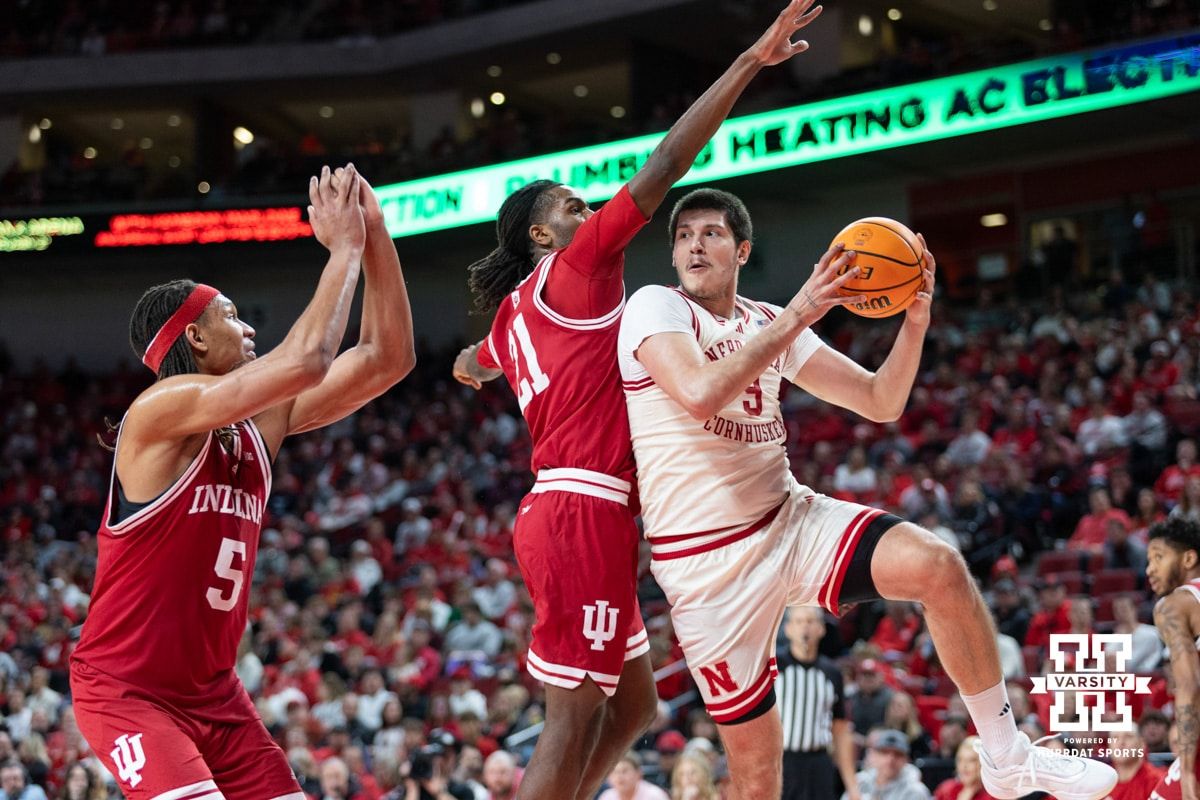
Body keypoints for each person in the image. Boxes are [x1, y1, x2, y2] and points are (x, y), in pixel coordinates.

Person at [615, 186, 1117, 800]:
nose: (695, 244)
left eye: (711, 233)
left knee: (939, 566)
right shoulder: (655, 307)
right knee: (757, 773)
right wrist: (802, 309)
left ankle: (1007, 755)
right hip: (705, 565)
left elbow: (881, 401)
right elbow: (698, 392)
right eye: (684, 235)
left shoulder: (769, 320)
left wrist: (915, 322)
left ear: (742, 249)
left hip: (788, 519)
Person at [450, 3, 825, 799]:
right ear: (545, 238)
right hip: (582, 507)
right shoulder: (577, 267)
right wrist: (749, 65)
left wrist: (473, 368)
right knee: (573, 716)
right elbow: (668, 162)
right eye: (571, 209)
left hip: (586, 512)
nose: (589, 213)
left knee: (633, 707)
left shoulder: (515, 313)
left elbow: (476, 359)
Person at [68, 164, 416, 800]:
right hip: (129, 692)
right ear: (195, 336)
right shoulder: (157, 411)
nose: (250, 327)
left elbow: (385, 358)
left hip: (214, 694)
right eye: (233, 316)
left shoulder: (252, 422)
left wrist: (374, 235)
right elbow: (308, 358)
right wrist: (341, 249)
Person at [776, 607, 857, 800]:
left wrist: (853, 787)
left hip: (818, 763)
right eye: (799, 621)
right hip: (781, 762)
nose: (805, 627)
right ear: (788, 629)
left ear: (821, 629)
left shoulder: (832, 673)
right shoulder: (774, 666)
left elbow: (840, 730)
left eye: (810, 621)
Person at [1145, 517, 1200, 800]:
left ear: (1189, 558)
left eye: (1159, 557)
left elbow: (1189, 686)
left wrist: (1188, 772)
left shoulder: (1173, 604)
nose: (1149, 569)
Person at [842, 730, 930, 800]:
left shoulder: (915, 791)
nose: (890, 759)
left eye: (897, 754)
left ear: (906, 760)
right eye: (884, 752)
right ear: (873, 755)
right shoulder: (859, 782)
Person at [1106, 729, 1163, 800]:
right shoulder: (1099, 782)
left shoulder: (1158, 781)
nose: (1121, 743)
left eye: (1128, 736)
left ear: (1142, 744)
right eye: (1115, 738)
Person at [597, 752, 670, 800]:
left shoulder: (655, 795)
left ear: (638, 773)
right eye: (615, 772)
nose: (619, 776)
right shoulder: (606, 797)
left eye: (625, 771)